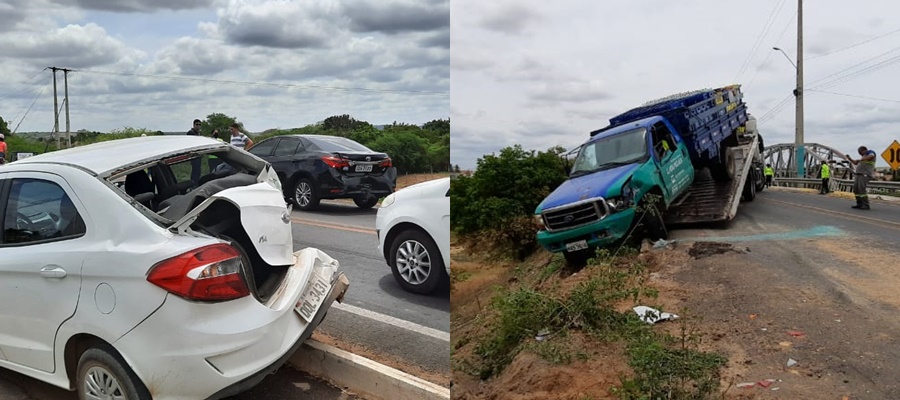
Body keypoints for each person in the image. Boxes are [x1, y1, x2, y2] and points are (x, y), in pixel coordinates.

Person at [186, 119, 203, 186]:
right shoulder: (191, 133)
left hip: (198, 154)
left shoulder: (198, 133)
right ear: (194, 125)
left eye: (199, 125)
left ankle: (195, 183)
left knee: (198, 170)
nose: (198, 126)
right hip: (193, 154)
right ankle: (194, 184)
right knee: (195, 170)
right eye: (197, 124)